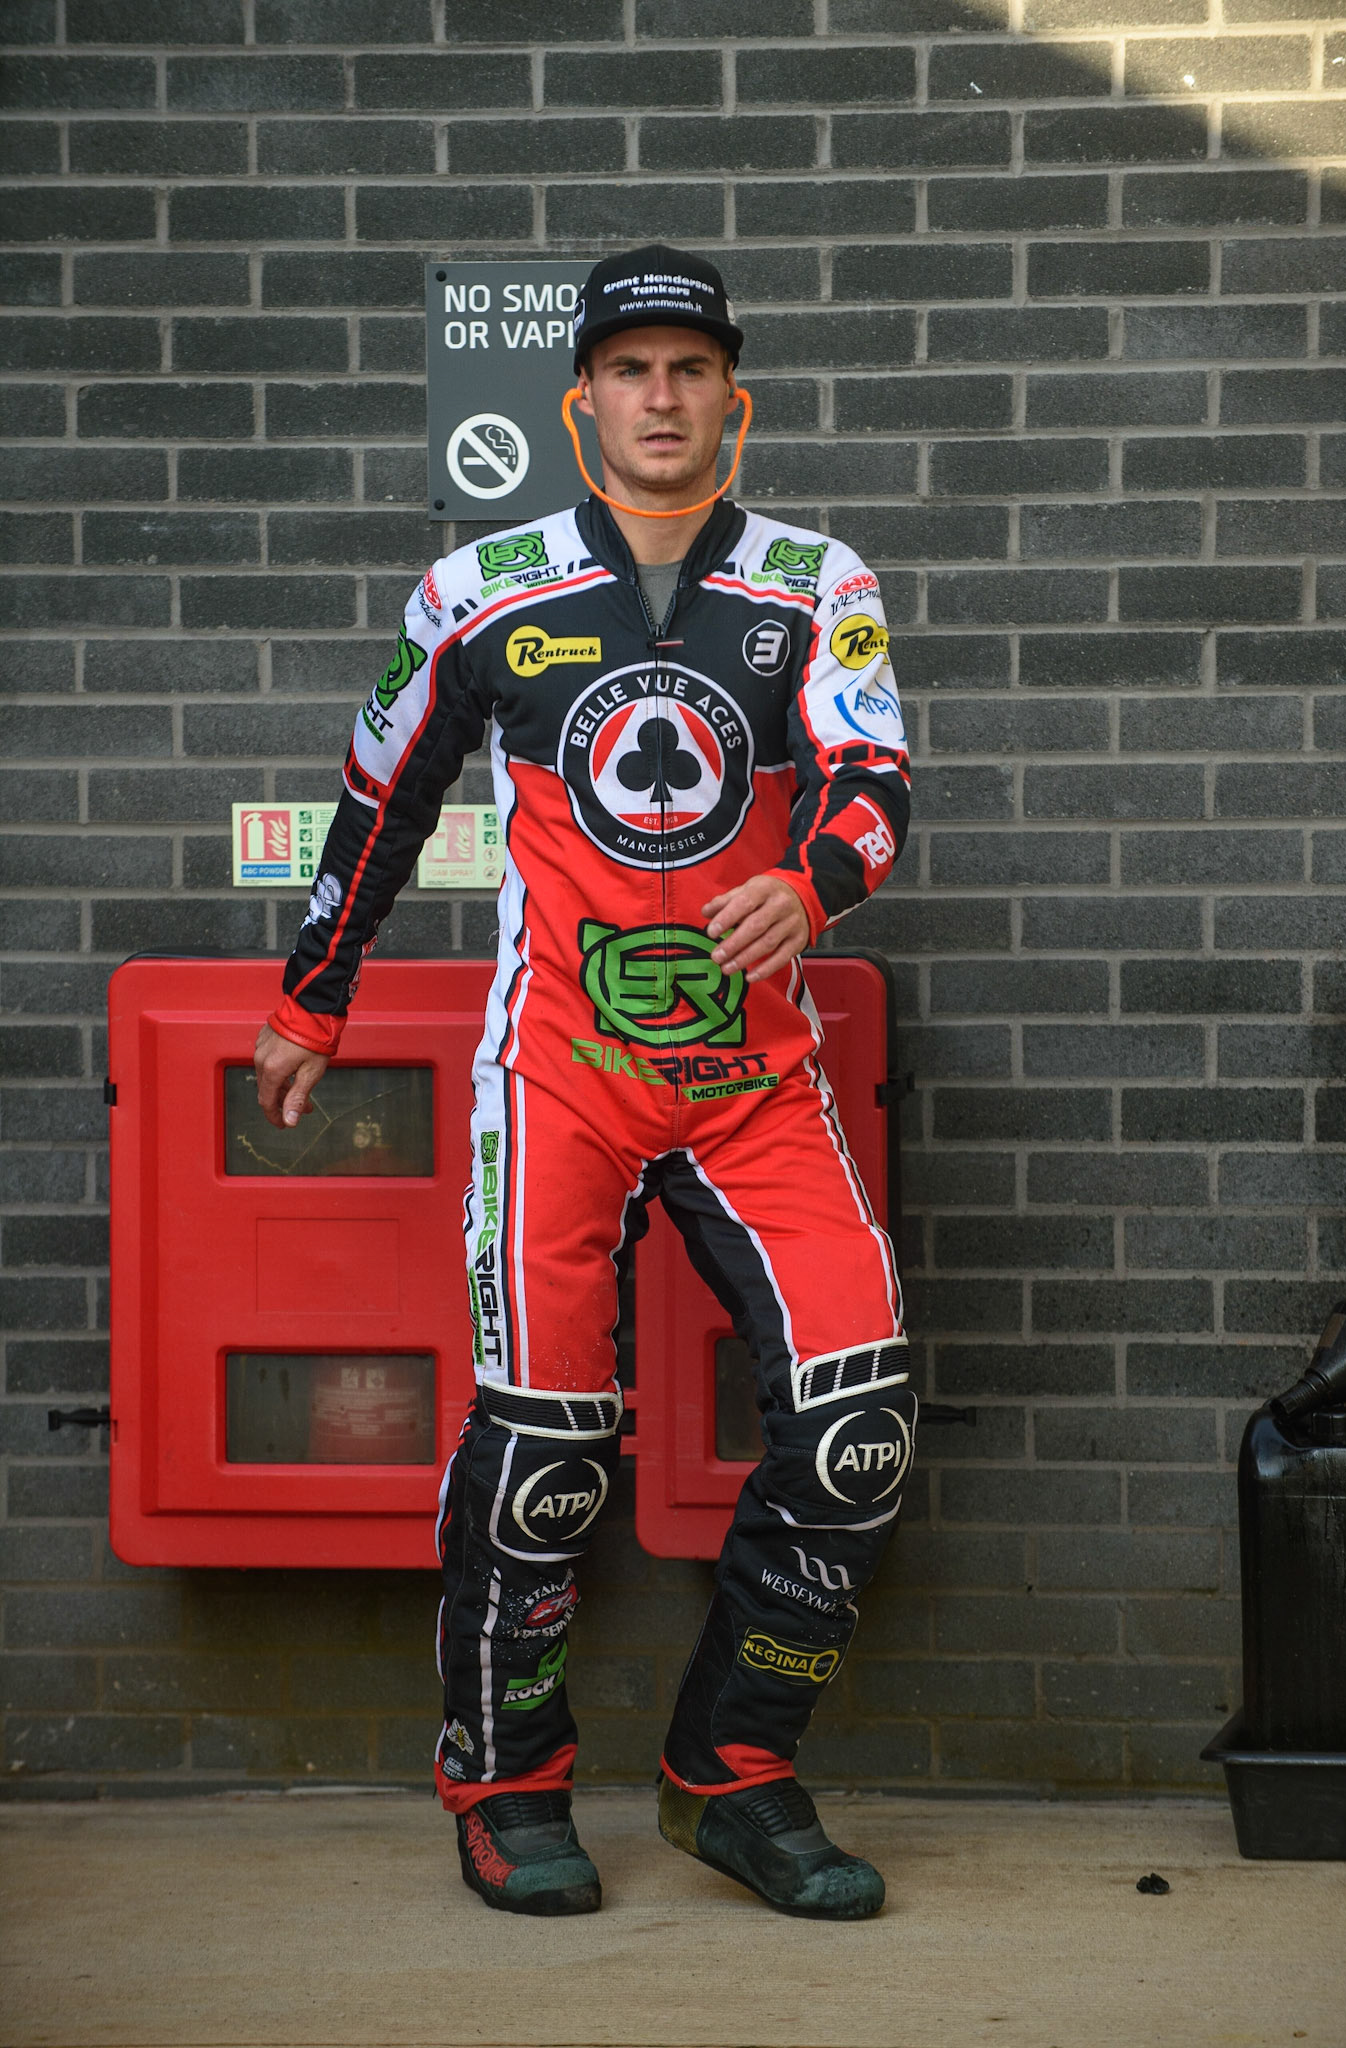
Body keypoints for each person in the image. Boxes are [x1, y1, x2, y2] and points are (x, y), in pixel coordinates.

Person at [254, 245, 915, 1922]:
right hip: (560, 1077)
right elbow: (378, 794)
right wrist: (310, 1001)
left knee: (856, 1432)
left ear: (733, 399)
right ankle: (504, 1785)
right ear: (581, 403)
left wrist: (820, 882)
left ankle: (733, 1775)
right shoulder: (482, 588)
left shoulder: (814, 579)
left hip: (760, 1081)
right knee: (550, 1447)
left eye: (691, 368)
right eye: (632, 369)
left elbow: (876, 780)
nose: (663, 397)